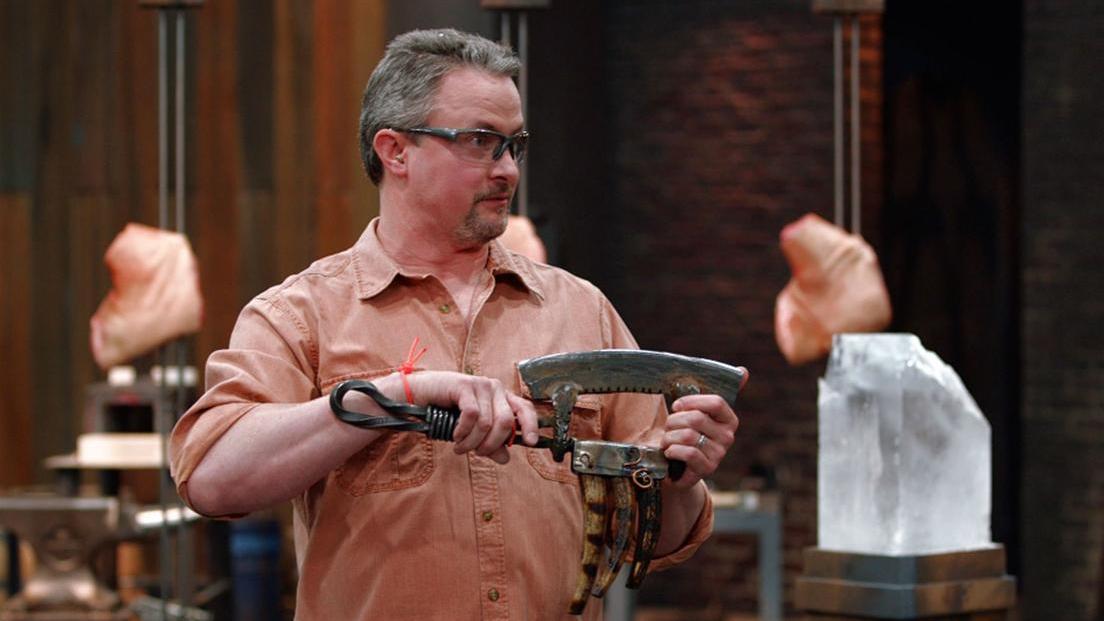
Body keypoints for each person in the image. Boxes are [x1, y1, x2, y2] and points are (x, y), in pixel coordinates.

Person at [170, 28, 741, 620]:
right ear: (395, 151)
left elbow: (658, 540)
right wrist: (393, 396)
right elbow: (213, 479)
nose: (508, 170)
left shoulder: (580, 310)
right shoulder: (302, 313)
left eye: (514, 145)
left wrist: (680, 475)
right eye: (480, 142)